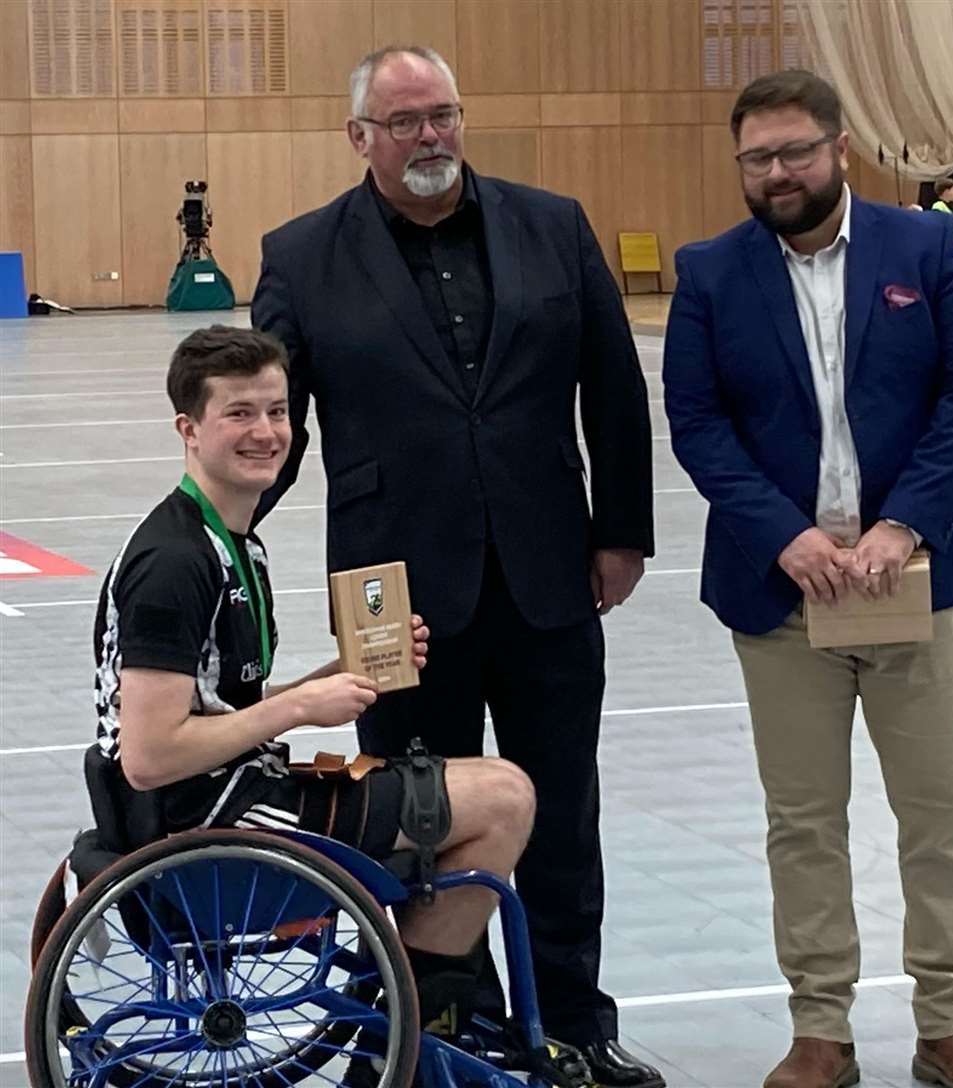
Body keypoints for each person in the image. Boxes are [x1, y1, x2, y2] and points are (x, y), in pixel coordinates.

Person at [250, 45, 660, 1088]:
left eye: (443, 115)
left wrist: (621, 530)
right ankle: (453, 1027)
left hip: (547, 573)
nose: (431, 136)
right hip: (394, 595)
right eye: (405, 122)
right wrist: (224, 536)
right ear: (360, 138)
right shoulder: (301, 255)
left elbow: (612, 387)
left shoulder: (553, 225)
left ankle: (573, 1020)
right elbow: (271, 425)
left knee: (562, 811)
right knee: (423, 820)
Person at [663, 71, 953, 1088]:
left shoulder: (924, 247)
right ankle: (820, 1026)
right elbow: (699, 424)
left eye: (795, 152)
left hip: (920, 582)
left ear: (841, 146)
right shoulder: (711, 271)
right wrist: (785, 535)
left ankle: (950, 1017)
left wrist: (902, 522)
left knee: (939, 810)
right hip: (783, 597)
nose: (777, 173)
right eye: (757, 158)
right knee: (803, 818)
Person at [91, 324, 539, 1070]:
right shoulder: (173, 565)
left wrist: (335, 678)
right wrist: (300, 709)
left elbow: (216, 713)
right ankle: (412, 1032)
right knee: (506, 799)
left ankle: (409, 1023)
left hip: (221, 794)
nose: (266, 432)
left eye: (277, 411)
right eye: (239, 413)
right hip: (205, 818)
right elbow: (150, 754)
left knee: (490, 789)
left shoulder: (229, 542)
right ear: (188, 428)